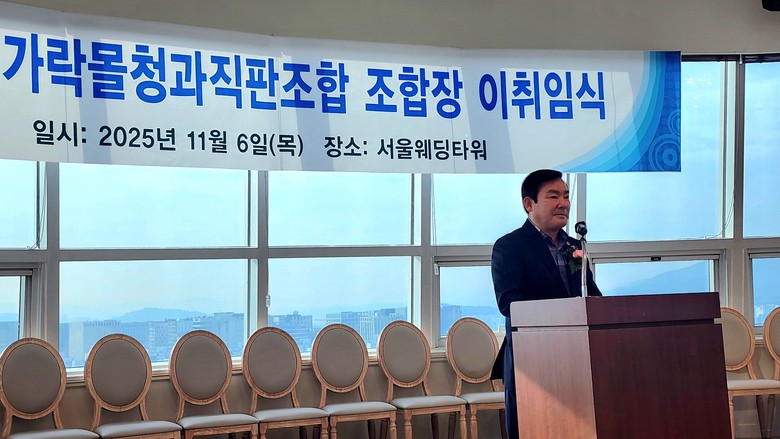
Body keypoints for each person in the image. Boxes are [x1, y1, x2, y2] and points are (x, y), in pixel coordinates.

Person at [490, 169, 601, 439]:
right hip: (533, 361)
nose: (563, 203)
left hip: (577, 361)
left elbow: (592, 296)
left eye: (566, 196)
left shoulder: (575, 246)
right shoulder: (509, 246)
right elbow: (509, 303)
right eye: (553, 196)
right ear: (529, 204)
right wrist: (566, 311)